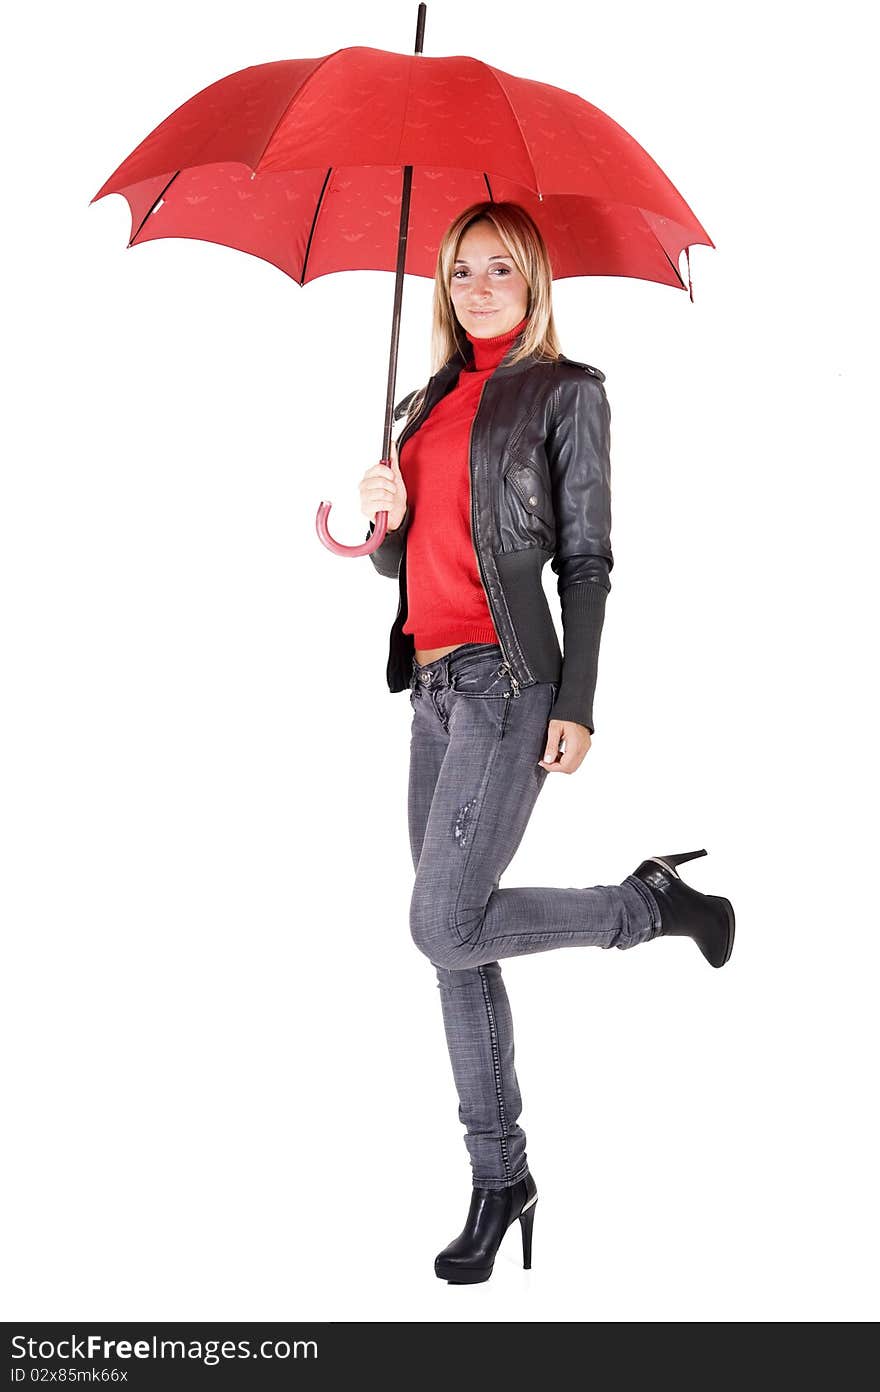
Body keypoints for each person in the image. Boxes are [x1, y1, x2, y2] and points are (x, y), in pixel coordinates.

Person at [358, 201, 735, 1286]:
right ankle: (499, 1178)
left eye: (501, 270)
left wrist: (579, 699)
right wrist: (378, 523)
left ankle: (643, 908)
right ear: (441, 284)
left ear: (534, 283)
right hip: (429, 686)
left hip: (509, 680)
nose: (479, 287)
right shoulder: (423, 403)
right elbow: (412, 561)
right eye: (462, 269)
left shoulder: (566, 394)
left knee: (443, 919)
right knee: (457, 941)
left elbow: (586, 560)